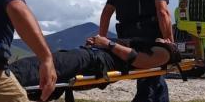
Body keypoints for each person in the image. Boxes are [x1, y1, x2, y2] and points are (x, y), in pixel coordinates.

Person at [10, 36, 179, 93]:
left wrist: (107, 43)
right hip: (93, 56)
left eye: (170, 42)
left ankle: (5, 77)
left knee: (49, 65)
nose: (167, 39)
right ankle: (6, 76)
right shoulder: (158, 47)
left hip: (95, 61)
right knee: (51, 63)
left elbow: (138, 59)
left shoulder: (164, 53)